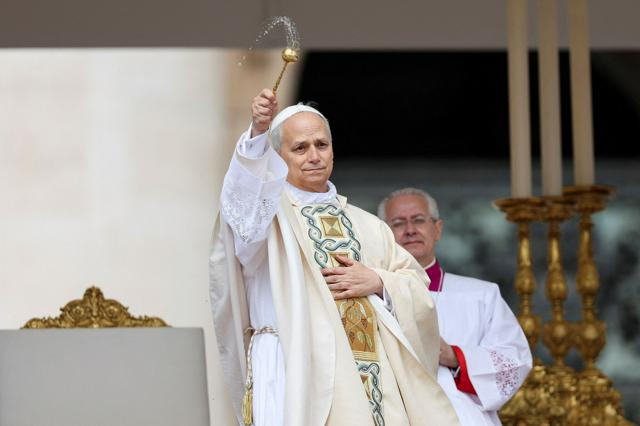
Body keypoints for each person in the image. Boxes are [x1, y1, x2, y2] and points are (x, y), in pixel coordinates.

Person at [209, 90, 460, 426]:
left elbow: (417, 287)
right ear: (278, 157)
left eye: (321, 145)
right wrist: (257, 135)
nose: (314, 156)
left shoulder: (368, 225)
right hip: (291, 365)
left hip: (371, 378)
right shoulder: (267, 219)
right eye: (300, 148)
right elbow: (240, 207)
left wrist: (379, 281)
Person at [378, 188, 532, 426]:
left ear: (437, 229)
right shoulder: (373, 296)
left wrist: (456, 357)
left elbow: (514, 361)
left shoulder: (481, 295)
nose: (410, 230)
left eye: (418, 220)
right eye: (398, 223)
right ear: (383, 236)